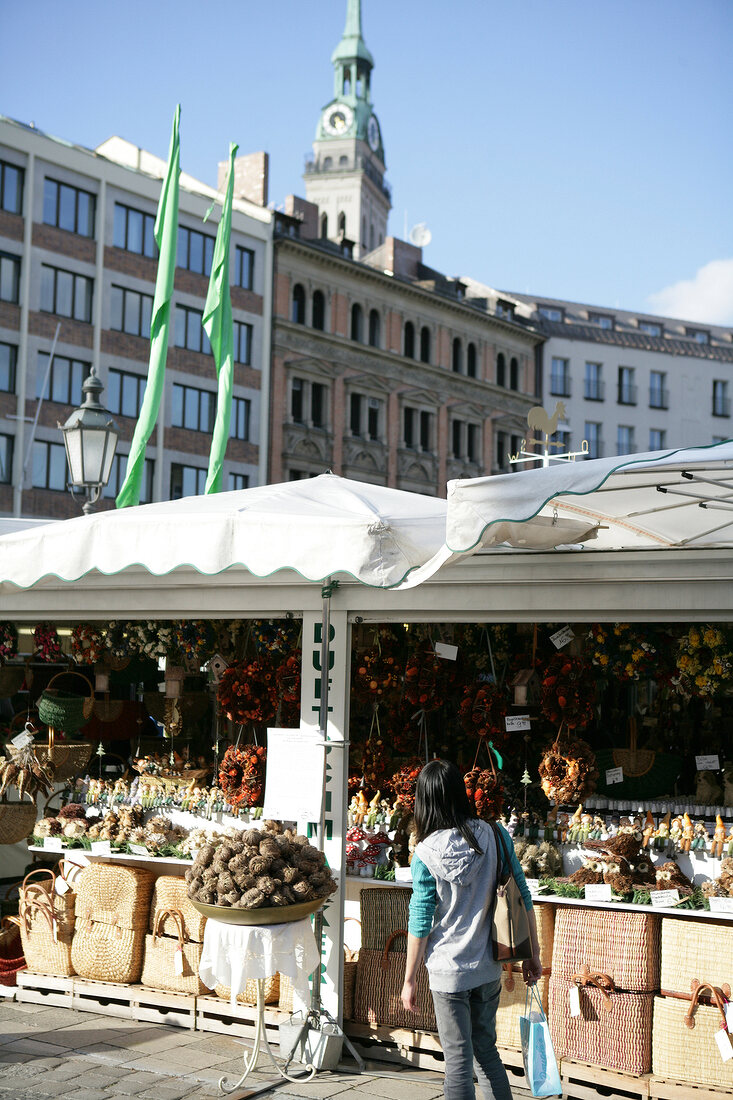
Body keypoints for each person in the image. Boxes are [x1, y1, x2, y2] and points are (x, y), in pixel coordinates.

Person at [400, 759, 542, 1100]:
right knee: (486, 1053)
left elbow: (420, 919)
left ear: (424, 801)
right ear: (461, 794)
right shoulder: (494, 834)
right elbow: (522, 896)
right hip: (488, 967)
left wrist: (409, 978)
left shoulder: (424, 853)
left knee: (458, 1063)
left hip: (448, 972)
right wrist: (532, 955)